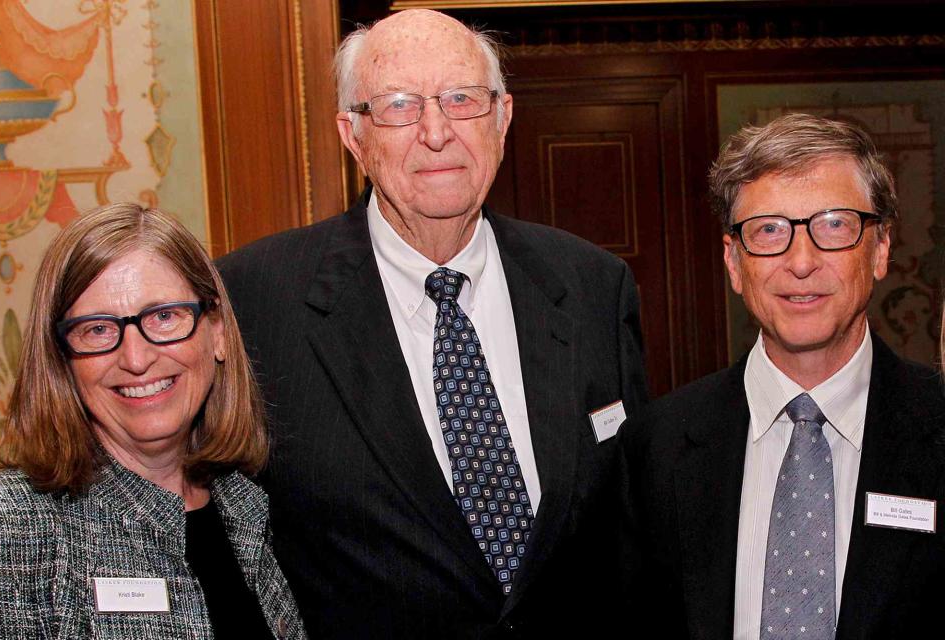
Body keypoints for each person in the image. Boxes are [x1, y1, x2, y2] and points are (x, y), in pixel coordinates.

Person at [217, 8, 647, 639]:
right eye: (398, 106)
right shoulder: (255, 298)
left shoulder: (591, 286)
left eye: (461, 99)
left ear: (502, 118)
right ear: (352, 134)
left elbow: (633, 528)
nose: (437, 131)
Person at [624, 113, 945, 639]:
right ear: (733, 262)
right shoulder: (654, 447)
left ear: (881, 248)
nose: (801, 261)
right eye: (769, 230)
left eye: (834, 225)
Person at [0, 203, 306, 640]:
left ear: (217, 332)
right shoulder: (7, 526)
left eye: (164, 316)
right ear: (62, 358)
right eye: (97, 329)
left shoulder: (247, 503)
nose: (136, 359)